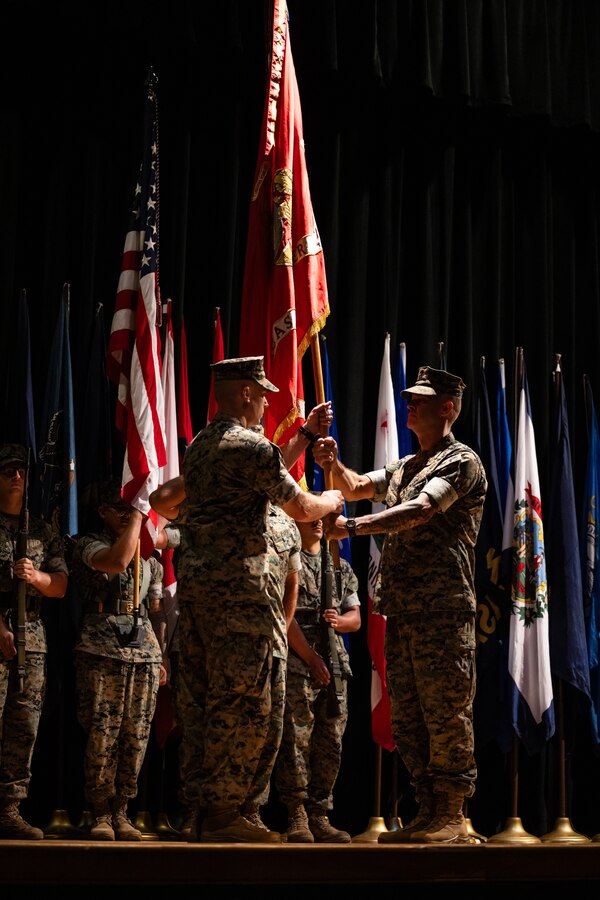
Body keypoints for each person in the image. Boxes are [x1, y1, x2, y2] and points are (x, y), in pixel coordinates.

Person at [150, 355, 345, 843]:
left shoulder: (200, 447)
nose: (264, 404)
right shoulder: (249, 446)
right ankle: (226, 813)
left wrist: (300, 435)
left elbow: (262, 471)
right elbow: (299, 504)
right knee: (247, 705)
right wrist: (335, 501)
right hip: (243, 600)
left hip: (201, 601)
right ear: (244, 394)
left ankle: (202, 810)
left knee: (203, 704)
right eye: (262, 396)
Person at [315, 366, 487, 844]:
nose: (410, 405)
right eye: (409, 398)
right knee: (409, 716)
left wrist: (352, 529)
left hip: (443, 610)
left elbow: (420, 510)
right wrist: (334, 461)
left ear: (448, 407)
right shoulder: (406, 467)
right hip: (404, 610)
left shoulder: (461, 462)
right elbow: (353, 487)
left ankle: (451, 813)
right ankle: (427, 811)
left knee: (446, 712)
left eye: (422, 400)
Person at [71, 478, 174, 841]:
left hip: (143, 651)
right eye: (123, 509)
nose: (133, 514)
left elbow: (158, 610)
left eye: (136, 507)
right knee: (103, 733)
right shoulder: (87, 544)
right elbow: (116, 561)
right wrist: (137, 518)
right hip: (102, 648)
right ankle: (99, 810)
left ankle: (121, 810)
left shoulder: (151, 558)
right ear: (104, 512)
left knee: (136, 736)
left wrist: (160, 655)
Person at [275, 516, 360, 843]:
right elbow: (286, 615)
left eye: (323, 520)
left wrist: (340, 621)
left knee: (331, 740)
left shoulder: (337, 565)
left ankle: (319, 813)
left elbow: (356, 619)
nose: (320, 525)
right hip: (300, 657)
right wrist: (310, 658)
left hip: (334, 660)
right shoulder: (288, 563)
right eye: (311, 519)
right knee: (297, 739)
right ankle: (296, 813)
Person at [0, 443, 68, 840]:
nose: (15, 476)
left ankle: (8, 809)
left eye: (21, 470)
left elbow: (59, 585)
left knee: (23, 726)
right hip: (2, 632)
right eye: (7, 470)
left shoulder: (42, 529)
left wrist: (35, 578)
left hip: (32, 642)